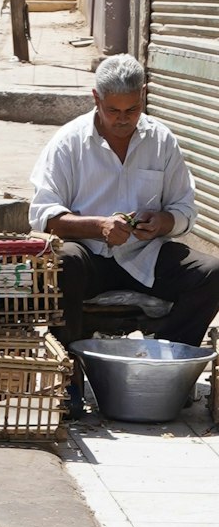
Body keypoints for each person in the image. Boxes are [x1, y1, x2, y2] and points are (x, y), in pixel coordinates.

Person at [30, 52, 219, 403]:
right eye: (113, 111)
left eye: (131, 110)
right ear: (95, 99)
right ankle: (67, 376)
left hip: (145, 255)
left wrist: (163, 221)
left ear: (143, 96)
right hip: (89, 257)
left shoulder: (161, 140)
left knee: (211, 271)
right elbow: (44, 216)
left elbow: (184, 209)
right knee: (64, 261)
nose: (122, 120)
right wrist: (98, 226)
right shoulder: (69, 142)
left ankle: (165, 367)